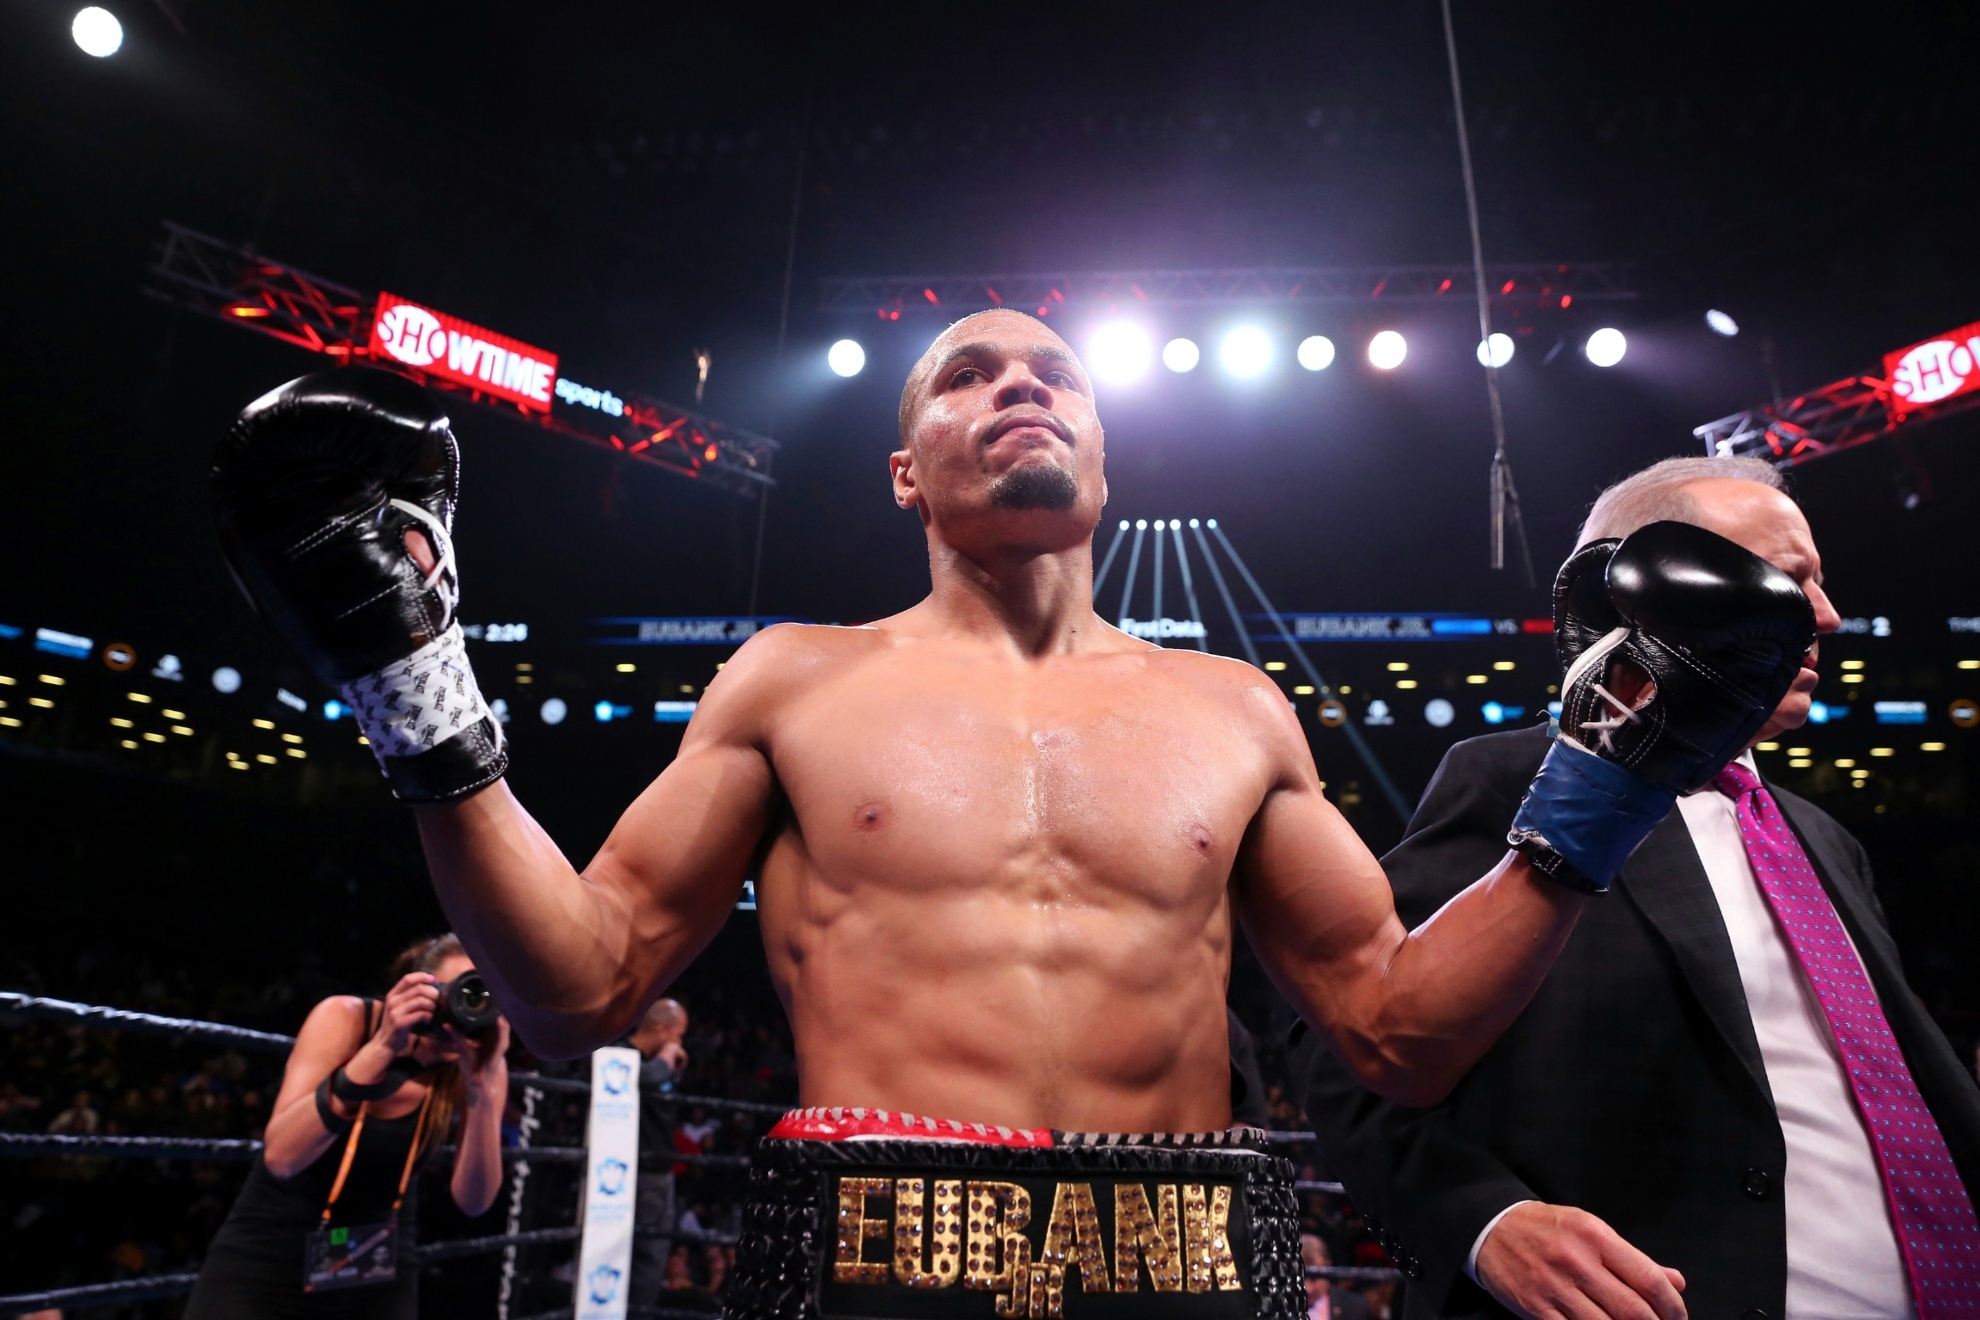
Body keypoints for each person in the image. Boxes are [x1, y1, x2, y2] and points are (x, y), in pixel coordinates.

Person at [211, 314, 1810, 1320]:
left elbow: (1400, 1034)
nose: (1017, 389)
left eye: (1052, 374)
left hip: (1194, 1247)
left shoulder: (1235, 708)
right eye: (964, 377)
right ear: (907, 471)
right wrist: (415, 689)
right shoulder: (793, 682)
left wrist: (1606, 784)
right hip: (869, 1243)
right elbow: (582, 987)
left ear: (1104, 456)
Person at [1295, 457, 1980, 1320]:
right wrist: (1484, 1222)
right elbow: (1352, 1044)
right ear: (1657, 592)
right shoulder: (1508, 780)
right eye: (1792, 582)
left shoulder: (1827, 841)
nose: (1830, 618)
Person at [184, 934, 509, 1319]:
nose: (464, 1008)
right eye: (455, 991)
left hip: (376, 1261)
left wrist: (482, 1091)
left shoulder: (480, 1066)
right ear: (419, 988)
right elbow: (281, 1157)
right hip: (271, 1249)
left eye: (479, 995)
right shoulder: (347, 1019)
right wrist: (382, 1048)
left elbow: (474, 1202)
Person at [623, 996, 689, 1312]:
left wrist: (671, 1071)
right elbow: (637, 1080)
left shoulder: (657, 1068)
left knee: (654, 1256)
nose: (679, 1042)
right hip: (637, 1175)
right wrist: (665, 1059)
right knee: (643, 1257)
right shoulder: (622, 1055)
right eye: (678, 1034)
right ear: (662, 1030)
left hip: (660, 1174)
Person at [1304, 1233, 1373, 1320]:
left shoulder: (1354, 1307)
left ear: (1327, 1266)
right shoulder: (1283, 1306)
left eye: (1314, 1278)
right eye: (1300, 1279)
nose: (1308, 1288)